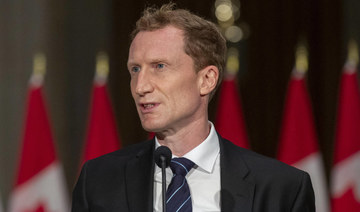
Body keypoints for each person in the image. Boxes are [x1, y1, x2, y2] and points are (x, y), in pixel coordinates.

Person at [72, 3, 315, 212]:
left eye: (159, 66)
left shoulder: (281, 188)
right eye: (135, 69)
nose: (140, 86)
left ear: (206, 79)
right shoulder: (98, 181)